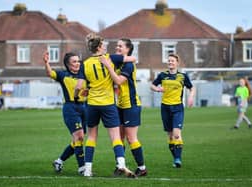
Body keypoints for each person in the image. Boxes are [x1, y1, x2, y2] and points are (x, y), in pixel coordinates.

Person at [75, 33, 136, 177]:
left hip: (92, 104)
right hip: (108, 104)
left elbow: (78, 86)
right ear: (100, 46)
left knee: (91, 137)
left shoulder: (85, 63)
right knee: (115, 137)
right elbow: (133, 58)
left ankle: (87, 169)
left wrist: (78, 95)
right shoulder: (111, 58)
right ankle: (121, 164)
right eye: (104, 44)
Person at [99, 38, 147, 176]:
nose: (117, 48)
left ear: (128, 49)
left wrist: (108, 66)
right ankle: (121, 166)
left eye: (121, 46)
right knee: (119, 138)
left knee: (131, 138)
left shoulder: (129, 65)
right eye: (117, 46)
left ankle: (142, 168)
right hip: (119, 105)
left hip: (131, 106)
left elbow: (119, 80)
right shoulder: (119, 63)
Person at [43, 51, 87, 175]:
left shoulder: (84, 75)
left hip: (84, 108)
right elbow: (50, 73)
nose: (78, 63)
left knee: (78, 139)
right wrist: (46, 63)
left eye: (78, 61)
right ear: (68, 64)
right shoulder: (63, 75)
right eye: (74, 61)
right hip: (70, 108)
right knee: (79, 137)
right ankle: (82, 168)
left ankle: (59, 161)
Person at [150, 54, 194, 168]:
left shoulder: (183, 76)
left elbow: (192, 88)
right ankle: (176, 158)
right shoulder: (162, 75)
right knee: (170, 136)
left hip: (177, 108)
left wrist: (190, 97)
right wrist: (158, 89)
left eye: (172, 61)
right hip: (165, 107)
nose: (170, 62)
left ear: (177, 63)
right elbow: (152, 86)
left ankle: (178, 159)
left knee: (176, 134)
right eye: (169, 61)